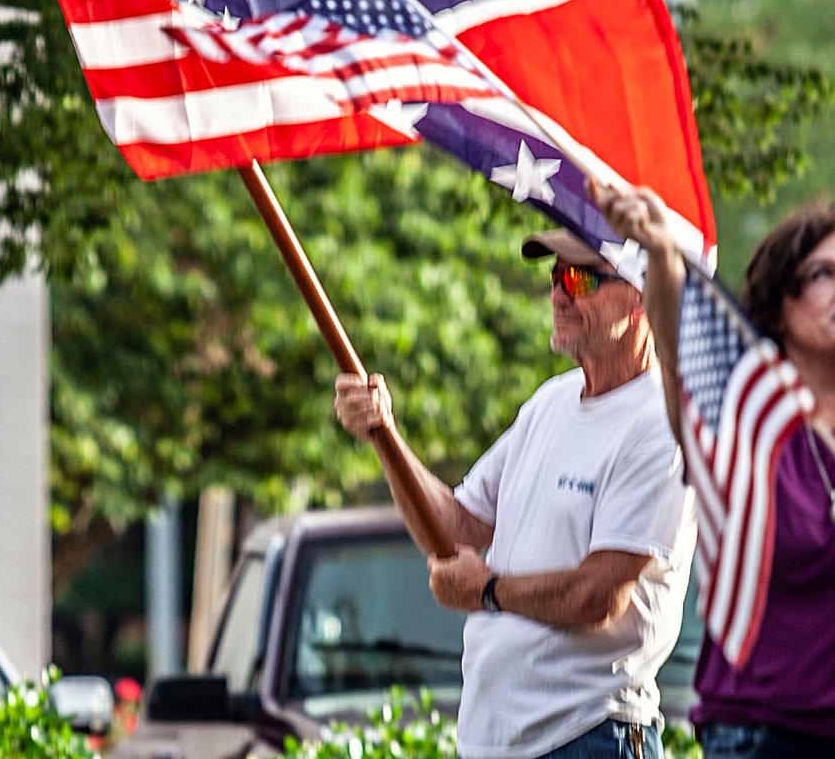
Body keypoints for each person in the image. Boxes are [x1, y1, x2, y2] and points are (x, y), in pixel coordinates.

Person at [335, 228, 696, 759]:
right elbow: (456, 528)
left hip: (589, 734)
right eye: (554, 277)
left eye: (579, 277)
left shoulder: (663, 423)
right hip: (495, 741)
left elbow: (598, 596)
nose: (557, 294)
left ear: (641, 296)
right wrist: (383, 433)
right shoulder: (549, 403)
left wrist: (487, 591)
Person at [594, 186, 835, 758]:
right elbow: (678, 358)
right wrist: (660, 254)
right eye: (824, 274)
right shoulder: (747, 422)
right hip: (760, 736)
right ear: (781, 301)